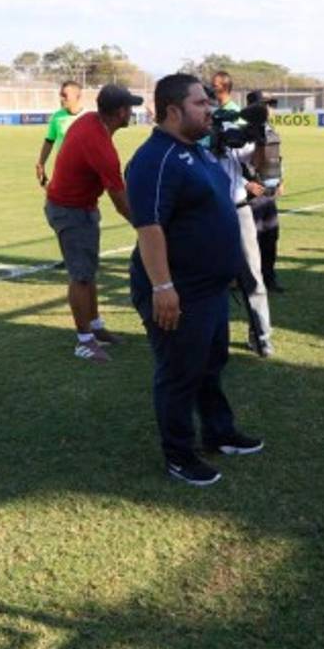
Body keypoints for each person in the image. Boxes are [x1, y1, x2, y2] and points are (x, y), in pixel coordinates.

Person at [125, 73, 263, 486]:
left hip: (210, 288)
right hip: (179, 291)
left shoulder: (198, 152)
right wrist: (163, 288)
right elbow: (149, 227)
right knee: (179, 372)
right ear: (172, 111)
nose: (210, 110)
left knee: (210, 363)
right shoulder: (155, 158)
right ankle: (179, 454)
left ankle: (219, 432)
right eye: (201, 104)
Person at [43, 84, 139, 362]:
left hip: (79, 206)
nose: (131, 112)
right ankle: (84, 340)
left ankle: (96, 328)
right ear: (121, 112)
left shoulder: (89, 122)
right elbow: (121, 202)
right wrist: (145, 229)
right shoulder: (100, 145)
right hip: (70, 211)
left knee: (88, 271)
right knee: (81, 276)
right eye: (129, 108)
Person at [208, 71, 275, 357]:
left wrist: (258, 139)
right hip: (208, 214)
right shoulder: (196, 136)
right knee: (211, 280)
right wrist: (213, 142)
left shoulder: (236, 127)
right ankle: (213, 339)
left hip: (239, 210)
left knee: (252, 276)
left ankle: (261, 336)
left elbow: (257, 164)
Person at [246, 90, 286, 293]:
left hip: (270, 192)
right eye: (265, 105)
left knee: (270, 237)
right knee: (251, 241)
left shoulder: (270, 129)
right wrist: (246, 184)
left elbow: (277, 157)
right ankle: (248, 280)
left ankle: (269, 278)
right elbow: (233, 165)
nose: (270, 109)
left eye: (271, 105)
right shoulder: (244, 132)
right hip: (252, 196)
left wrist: (281, 180)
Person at [36, 80, 84, 187]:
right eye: (60, 95)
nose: (61, 99)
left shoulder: (89, 117)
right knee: (56, 199)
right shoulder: (56, 117)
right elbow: (49, 141)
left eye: (65, 95)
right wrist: (41, 163)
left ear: (78, 96)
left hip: (83, 172)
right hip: (62, 169)